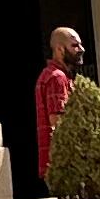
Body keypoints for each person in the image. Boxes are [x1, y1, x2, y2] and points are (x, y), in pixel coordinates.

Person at [33, 27, 83, 187]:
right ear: (60, 49)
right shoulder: (57, 78)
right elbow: (58, 124)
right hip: (63, 164)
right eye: (74, 45)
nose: (81, 49)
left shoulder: (55, 75)